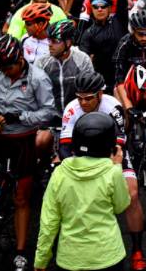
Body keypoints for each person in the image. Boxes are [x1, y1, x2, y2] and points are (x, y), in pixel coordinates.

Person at [0, 36, 59, 271]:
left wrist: (19, 117)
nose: (5, 73)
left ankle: (19, 251)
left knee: (21, 198)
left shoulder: (38, 78)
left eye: (9, 68)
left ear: (20, 59)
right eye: (1, 69)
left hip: (22, 139)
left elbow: (48, 111)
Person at [36, 110, 130, 271]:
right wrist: (118, 165)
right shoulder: (112, 171)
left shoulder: (60, 173)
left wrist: (41, 261)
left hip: (70, 259)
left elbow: (49, 221)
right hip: (109, 256)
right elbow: (121, 206)